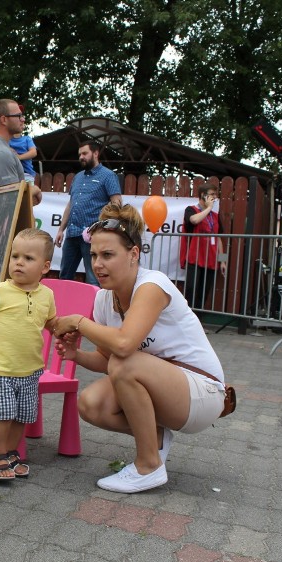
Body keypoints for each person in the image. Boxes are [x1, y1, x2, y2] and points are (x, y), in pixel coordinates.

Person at [52, 203, 227, 494]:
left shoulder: (152, 285)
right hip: (165, 387)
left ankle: (149, 466)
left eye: (108, 255)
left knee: (125, 362)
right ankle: (156, 437)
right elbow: (106, 359)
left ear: (133, 254)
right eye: (94, 255)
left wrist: (78, 322)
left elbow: (124, 345)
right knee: (91, 403)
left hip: (202, 392)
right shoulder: (104, 300)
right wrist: (76, 356)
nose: (97, 264)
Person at [0, 228, 57, 481]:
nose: (19, 262)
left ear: (45, 267)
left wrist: (66, 330)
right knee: (2, 414)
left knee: (22, 415)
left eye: (28, 258)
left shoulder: (47, 295)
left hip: (31, 368)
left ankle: (11, 453)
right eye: (15, 256)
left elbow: (51, 322)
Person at [54, 140, 122, 286]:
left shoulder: (108, 175)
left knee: (93, 278)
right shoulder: (78, 177)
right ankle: (63, 308)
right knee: (64, 276)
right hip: (72, 234)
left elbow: (116, 203)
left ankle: (94, 309)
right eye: (79, 154)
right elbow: (71, 204)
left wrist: (103, 228)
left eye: (85, 153)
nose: (81, 157)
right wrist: (61, 229)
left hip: (92, 236)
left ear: (96, 153)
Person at [0, 99, 42, 208]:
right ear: (3, 120)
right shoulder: (2, 153)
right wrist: (34, 190)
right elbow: (12, 199)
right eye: (18, 116)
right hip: (3, 224)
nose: (23, 119)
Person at [181, 182, 227, 310]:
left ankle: (198, 322)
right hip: (195, 258)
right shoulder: (191, 209)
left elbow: (219, 239)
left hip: (211, 260)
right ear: (203, 195)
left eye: (215, 195)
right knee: (191, 290)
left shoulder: (216, 216)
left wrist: (223, 261)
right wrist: (208, 208)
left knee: (204, 294)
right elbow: (194, 220)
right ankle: (187, 321)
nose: (214, 198)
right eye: (212, 195)